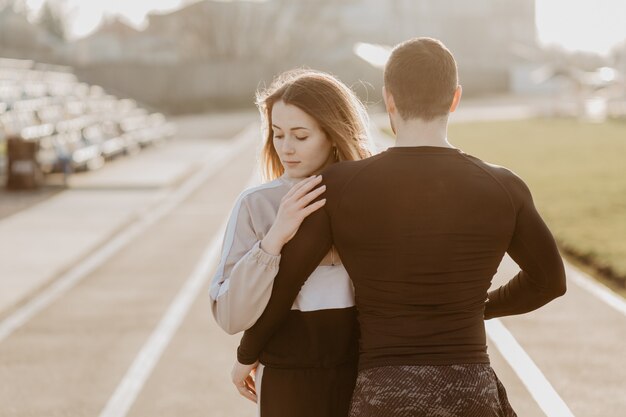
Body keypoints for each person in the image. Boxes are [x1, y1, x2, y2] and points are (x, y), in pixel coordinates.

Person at [233, 38, 567, 416]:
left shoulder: (340, 185)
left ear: (389, 99)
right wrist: (476, 309)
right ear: (455, 99)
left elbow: (288, 278)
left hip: (384, 392)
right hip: (470, 387)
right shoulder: (504, 186)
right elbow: (550, 281)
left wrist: (247, 354)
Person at [209, 69, 372, 417]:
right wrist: (274, 240)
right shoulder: (256, 205)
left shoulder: (370, 196)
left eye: (299, 136)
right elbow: (229, 316)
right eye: (278, 134)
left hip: (363, 374)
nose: (285, 148)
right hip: (286, 380)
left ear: (333, 134)